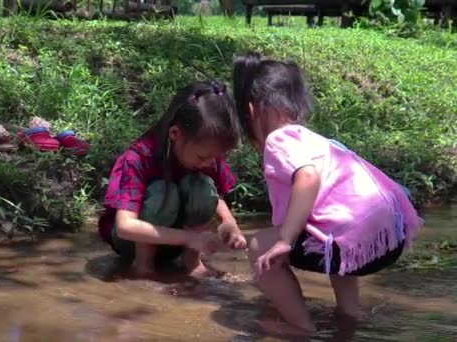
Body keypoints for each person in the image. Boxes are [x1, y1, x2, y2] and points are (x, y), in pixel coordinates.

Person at [231, 52, 423, 333]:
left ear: (251, 110)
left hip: (355, 240)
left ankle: (301, 327)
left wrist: (285, 240)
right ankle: (349, 315)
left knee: (261, 246)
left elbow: (307, 178)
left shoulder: (277, 140)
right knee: (334, 228)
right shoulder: (313, 140)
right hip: (386, 237)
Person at [98, 80, 248, 279]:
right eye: (203, 157)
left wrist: (229, 222)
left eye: (216, 157)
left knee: (202, 187)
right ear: (175, 134)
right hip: (131, 242)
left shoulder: (205, 153)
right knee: (163, 193)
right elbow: (125, 227)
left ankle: (191, 261)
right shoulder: (140, 158)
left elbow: (215, 195)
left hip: (176, 241)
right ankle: (143, 266)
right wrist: (190, 238)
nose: (208, 163)